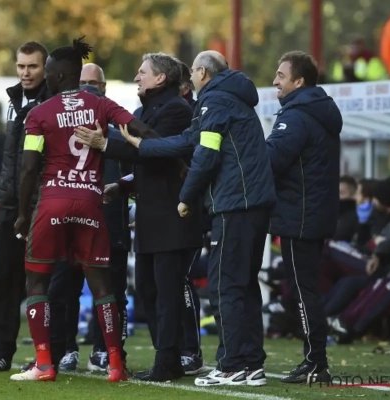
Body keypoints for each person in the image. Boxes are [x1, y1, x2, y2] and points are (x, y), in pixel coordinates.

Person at [115, 50, 275, 386]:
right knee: (244, 284)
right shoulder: (230, 98)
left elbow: (205, 153)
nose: (190, 78)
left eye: (193, 72)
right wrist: (143, 146)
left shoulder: (215, 100)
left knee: (224, 285)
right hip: (251, 202)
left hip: (236, 202)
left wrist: (186, 197)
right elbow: (189, 140)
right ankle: (251, 363)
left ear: (202, 73)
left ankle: (231, 365)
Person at [10, 36, 158, 383]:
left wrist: (22, 213)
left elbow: (29, 168)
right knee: (103, 286)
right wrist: (168, 152)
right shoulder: (101, 105)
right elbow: (139, 129)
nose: (45, 77)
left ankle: (44, 363)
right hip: (91, 202)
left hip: (53, 202)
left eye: (48, 72)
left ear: (60, 75)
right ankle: (116, 365)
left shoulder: (39, 113)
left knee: (38, 282)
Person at [75, 52, 204, 381]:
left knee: (167, 290)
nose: (137, 77)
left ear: (160, 78)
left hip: (172, 215)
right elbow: (144, 161)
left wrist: (106, 144)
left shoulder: (177, 110)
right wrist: (122, 185)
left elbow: (156, 152)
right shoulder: (144, 111)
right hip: (150, 216)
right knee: (148, 289)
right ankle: (168, 356)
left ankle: (169, 359)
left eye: (142, 72)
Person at [267, 51, 342, 384]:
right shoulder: (318, 111)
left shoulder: (296, 116)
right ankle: (315, 360)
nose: (275, 81)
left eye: (281, 76)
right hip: (312, 212)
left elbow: (272, 159)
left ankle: (316, 361)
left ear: (299, 81)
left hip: (299, 215)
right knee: (306, 288)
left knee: (303, 290)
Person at [0, 41, 51, 372]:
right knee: (3, 278)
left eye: (32, 66)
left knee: (45, 280)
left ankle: (50, 351)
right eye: (21, 66)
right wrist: (0, 198)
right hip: (11, 204)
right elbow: (10, 158)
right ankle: (0, 352)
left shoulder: (52, 102)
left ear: (45, 68)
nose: (25, 72)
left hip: (41, 204)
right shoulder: (13, 100)